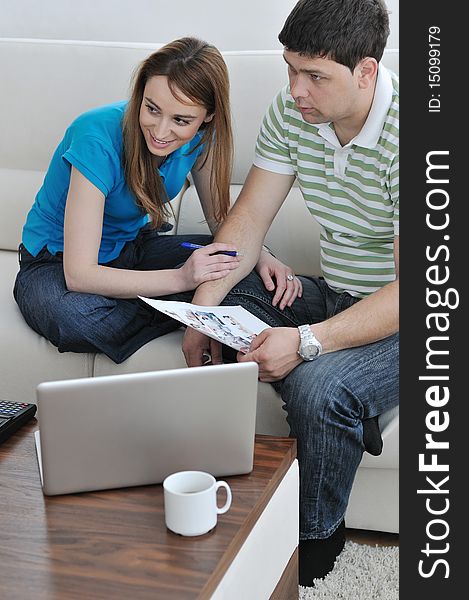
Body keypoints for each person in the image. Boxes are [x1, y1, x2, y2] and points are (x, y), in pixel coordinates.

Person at [181, 0, 399, 587]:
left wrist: (304, 342)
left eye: (315, 77)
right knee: (216, 291)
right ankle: (356, 397)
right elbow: (248, 224)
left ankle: (314, 546)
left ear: (367, 71)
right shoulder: (292, 112)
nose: (296, 90)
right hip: (336, 294)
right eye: (290, 70)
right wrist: (202, 310)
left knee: (317, 383)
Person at [13, 37, 297, 364]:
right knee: (73, 317)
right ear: (140, 95)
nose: (161, 131)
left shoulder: (204, 138)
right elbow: (80, 276)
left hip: (133, 250)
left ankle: (179, 309)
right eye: (152, 109)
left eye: (181, 120)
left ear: (208, 116)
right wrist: (182, 280)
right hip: (56, 266)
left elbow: (222, 222)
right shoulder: (96, 134)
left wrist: (258, 254)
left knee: (232, 268)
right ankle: (184, 313)